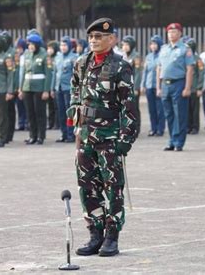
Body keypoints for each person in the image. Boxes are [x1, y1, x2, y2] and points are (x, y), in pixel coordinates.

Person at [68, 17, 137, 257]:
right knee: (87, 187)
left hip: (110, 137)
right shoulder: (81, 63)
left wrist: (125, 140)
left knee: (112, 187)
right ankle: (95, 233)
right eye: (91, 37)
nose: (94, 41)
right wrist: (75, 121)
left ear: (112, 39)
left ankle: (112, 236)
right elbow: (75, 91)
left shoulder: (121, 66)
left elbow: (129, 107)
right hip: (85, 136)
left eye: (99, 37)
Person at [157, 23, 195, 152]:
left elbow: (190, 69)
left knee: (180, 114)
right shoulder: (163, 49)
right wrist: (158, 86)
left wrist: (187, 87)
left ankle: (179, 142)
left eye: (174, 32)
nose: (171, 34)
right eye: (169, 32)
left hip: (179, 83)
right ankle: (171, 140)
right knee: (169, 114)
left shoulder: (185, 49)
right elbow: (159, 68)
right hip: (165, 84)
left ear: (180, 33)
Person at [19, 33, 50, 145]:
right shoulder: (26, 54)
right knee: (30, 113)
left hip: (39, 88)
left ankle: (41, 136)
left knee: (39, 112)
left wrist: (46, 90)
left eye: (32, 44)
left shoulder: (44, 55)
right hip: (27, 87)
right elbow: (23, 72)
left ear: (37, 44)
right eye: (29, 44)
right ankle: (32, 135)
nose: (30, 46)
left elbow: (48, 74)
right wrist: (20, 88)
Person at [51, 36, 77, 143]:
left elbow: (76, 74)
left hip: (69, 88)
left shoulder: (74, 57)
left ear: (69, 46)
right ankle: (63, 134)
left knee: (69, 112)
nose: (63, 47)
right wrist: (52, 88)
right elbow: (54, 74)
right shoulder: (57, 57)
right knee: (60, 112)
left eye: (65, 45)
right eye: (61, 45)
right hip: (59, 88)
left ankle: (71, 134)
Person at [141, 34, 165, 136]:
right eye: (151, 44)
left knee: (160, 109)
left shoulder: (162, 56)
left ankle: (160, 129)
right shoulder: (148, 57)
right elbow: (145, 71)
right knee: (151, 109)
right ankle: (153, 128)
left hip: (158, 86)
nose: (153, 46)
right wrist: (143, 84)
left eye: (155, 44)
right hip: (149, 85)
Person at [122, 35, 142, 137]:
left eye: (127, 44)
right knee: (126, 109)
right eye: (123, 44)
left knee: (134, 108)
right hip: (124, 87)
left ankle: (136, 129)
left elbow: (138, 73)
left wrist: (136, 88)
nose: (125, 47)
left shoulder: (136, 56)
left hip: (133, 87)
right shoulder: (123, 56)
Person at [183, 37, 204, 135]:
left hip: (194, 87)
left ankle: (195, 127)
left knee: (195, 109)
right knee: (186, 109)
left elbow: (201, 73)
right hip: (186, 87)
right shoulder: (184, 58)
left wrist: (199, 87)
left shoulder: (197, 59)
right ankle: (188, 126)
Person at [15, 38, 28, 131]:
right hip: (17, 85)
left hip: (24, 84)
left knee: (26, 105)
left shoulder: (26, 56)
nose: (18, 50)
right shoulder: (16, 57)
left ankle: (27, 122)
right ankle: (21, 123)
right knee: (19, 106)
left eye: (20, 48)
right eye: (17, 48)